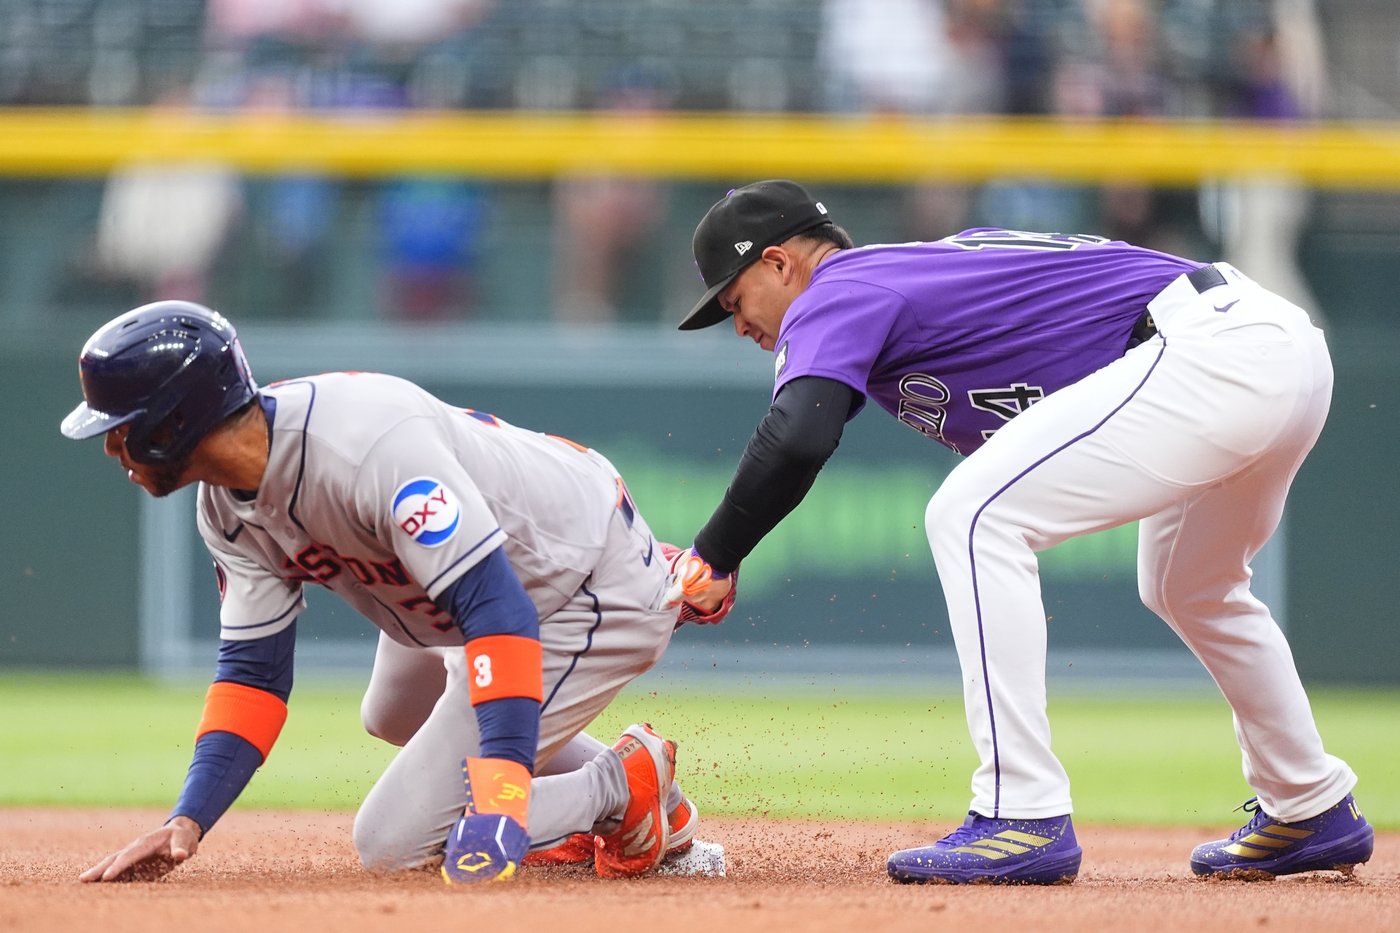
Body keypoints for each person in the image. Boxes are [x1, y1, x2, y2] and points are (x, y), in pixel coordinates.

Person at [670, 179, 1373, 885]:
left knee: (972, 515)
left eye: (734, 301)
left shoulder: (841, 286)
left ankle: (1021, 812)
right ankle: (1306, 800)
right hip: (1264, 347)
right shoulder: (907, 282)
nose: (739, 325)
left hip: (1210, 350)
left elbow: (798, 437)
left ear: (780, 263)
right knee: (1190, 583)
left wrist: (714, 554)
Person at [61, 301, 732, 885]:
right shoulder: (226, 510)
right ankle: (621, 775)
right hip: (473, 588)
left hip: (578, 584)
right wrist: (190, 817)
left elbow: (498, 613)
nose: (113, 445)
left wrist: (504, 800)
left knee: (395, 842)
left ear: (174, 420)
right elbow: (253, 674)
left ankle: (619, 786)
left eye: (122, 423)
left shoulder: (360, 446)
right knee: (391, 711)